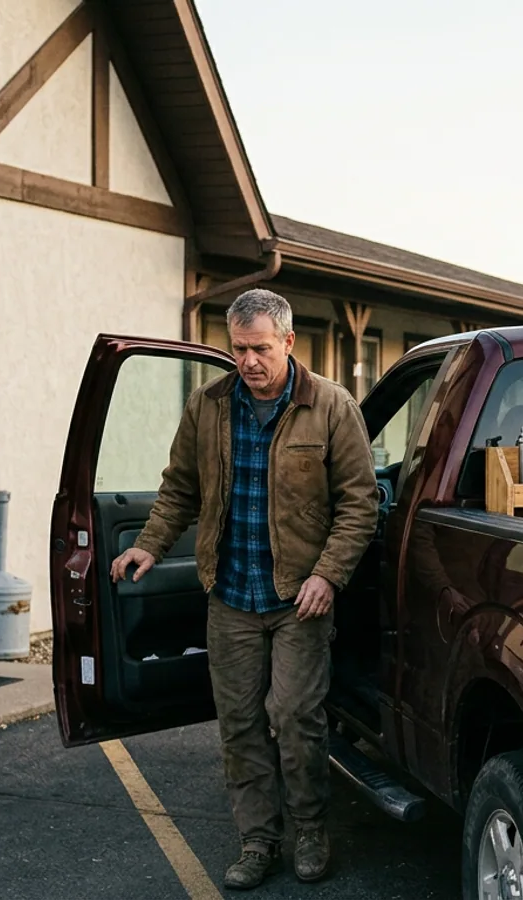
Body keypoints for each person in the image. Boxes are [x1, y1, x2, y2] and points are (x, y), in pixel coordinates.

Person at [109, 289, 378, 889]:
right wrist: (149, 544)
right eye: (238, 349)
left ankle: (309, 828)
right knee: (239, 724)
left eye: (259, 348)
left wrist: (327, 575)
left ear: (287, 341)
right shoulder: (208, 406)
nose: (248, 361)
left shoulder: (332, 408)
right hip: (230, 594)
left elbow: (360, 506)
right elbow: (180, 488)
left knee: (296, 716)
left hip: (297, 600)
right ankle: (259, 840)